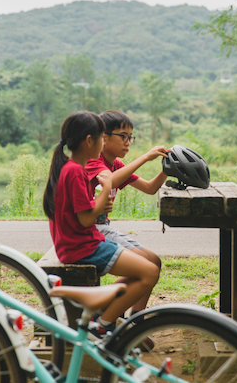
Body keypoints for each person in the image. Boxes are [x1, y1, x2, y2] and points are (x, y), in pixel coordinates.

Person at [43, 111, 160, 339]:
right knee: (149, 272)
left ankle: (108, 319)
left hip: (83, 242)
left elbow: (84, 213)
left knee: (147, 268)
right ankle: (103, 325)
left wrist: (99, 202)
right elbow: (86, 220)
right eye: (101, 138)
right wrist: (105, 192)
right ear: (90, 141)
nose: (103, 143)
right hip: (82, 246)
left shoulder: (70, 167)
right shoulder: (76, 171)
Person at [85, 110, 167, 317]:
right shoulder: (94, 161)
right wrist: (146, 157)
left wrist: (168, 168)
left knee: (154, 260)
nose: (128, 142)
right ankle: (107, 310)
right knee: (144, 265)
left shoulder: (116, 164)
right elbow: (109, 180)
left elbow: (149, 188)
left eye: (130, 137)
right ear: (103, 137)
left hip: (103, 227)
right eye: (123, 136)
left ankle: (136, 318)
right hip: (91, 229)